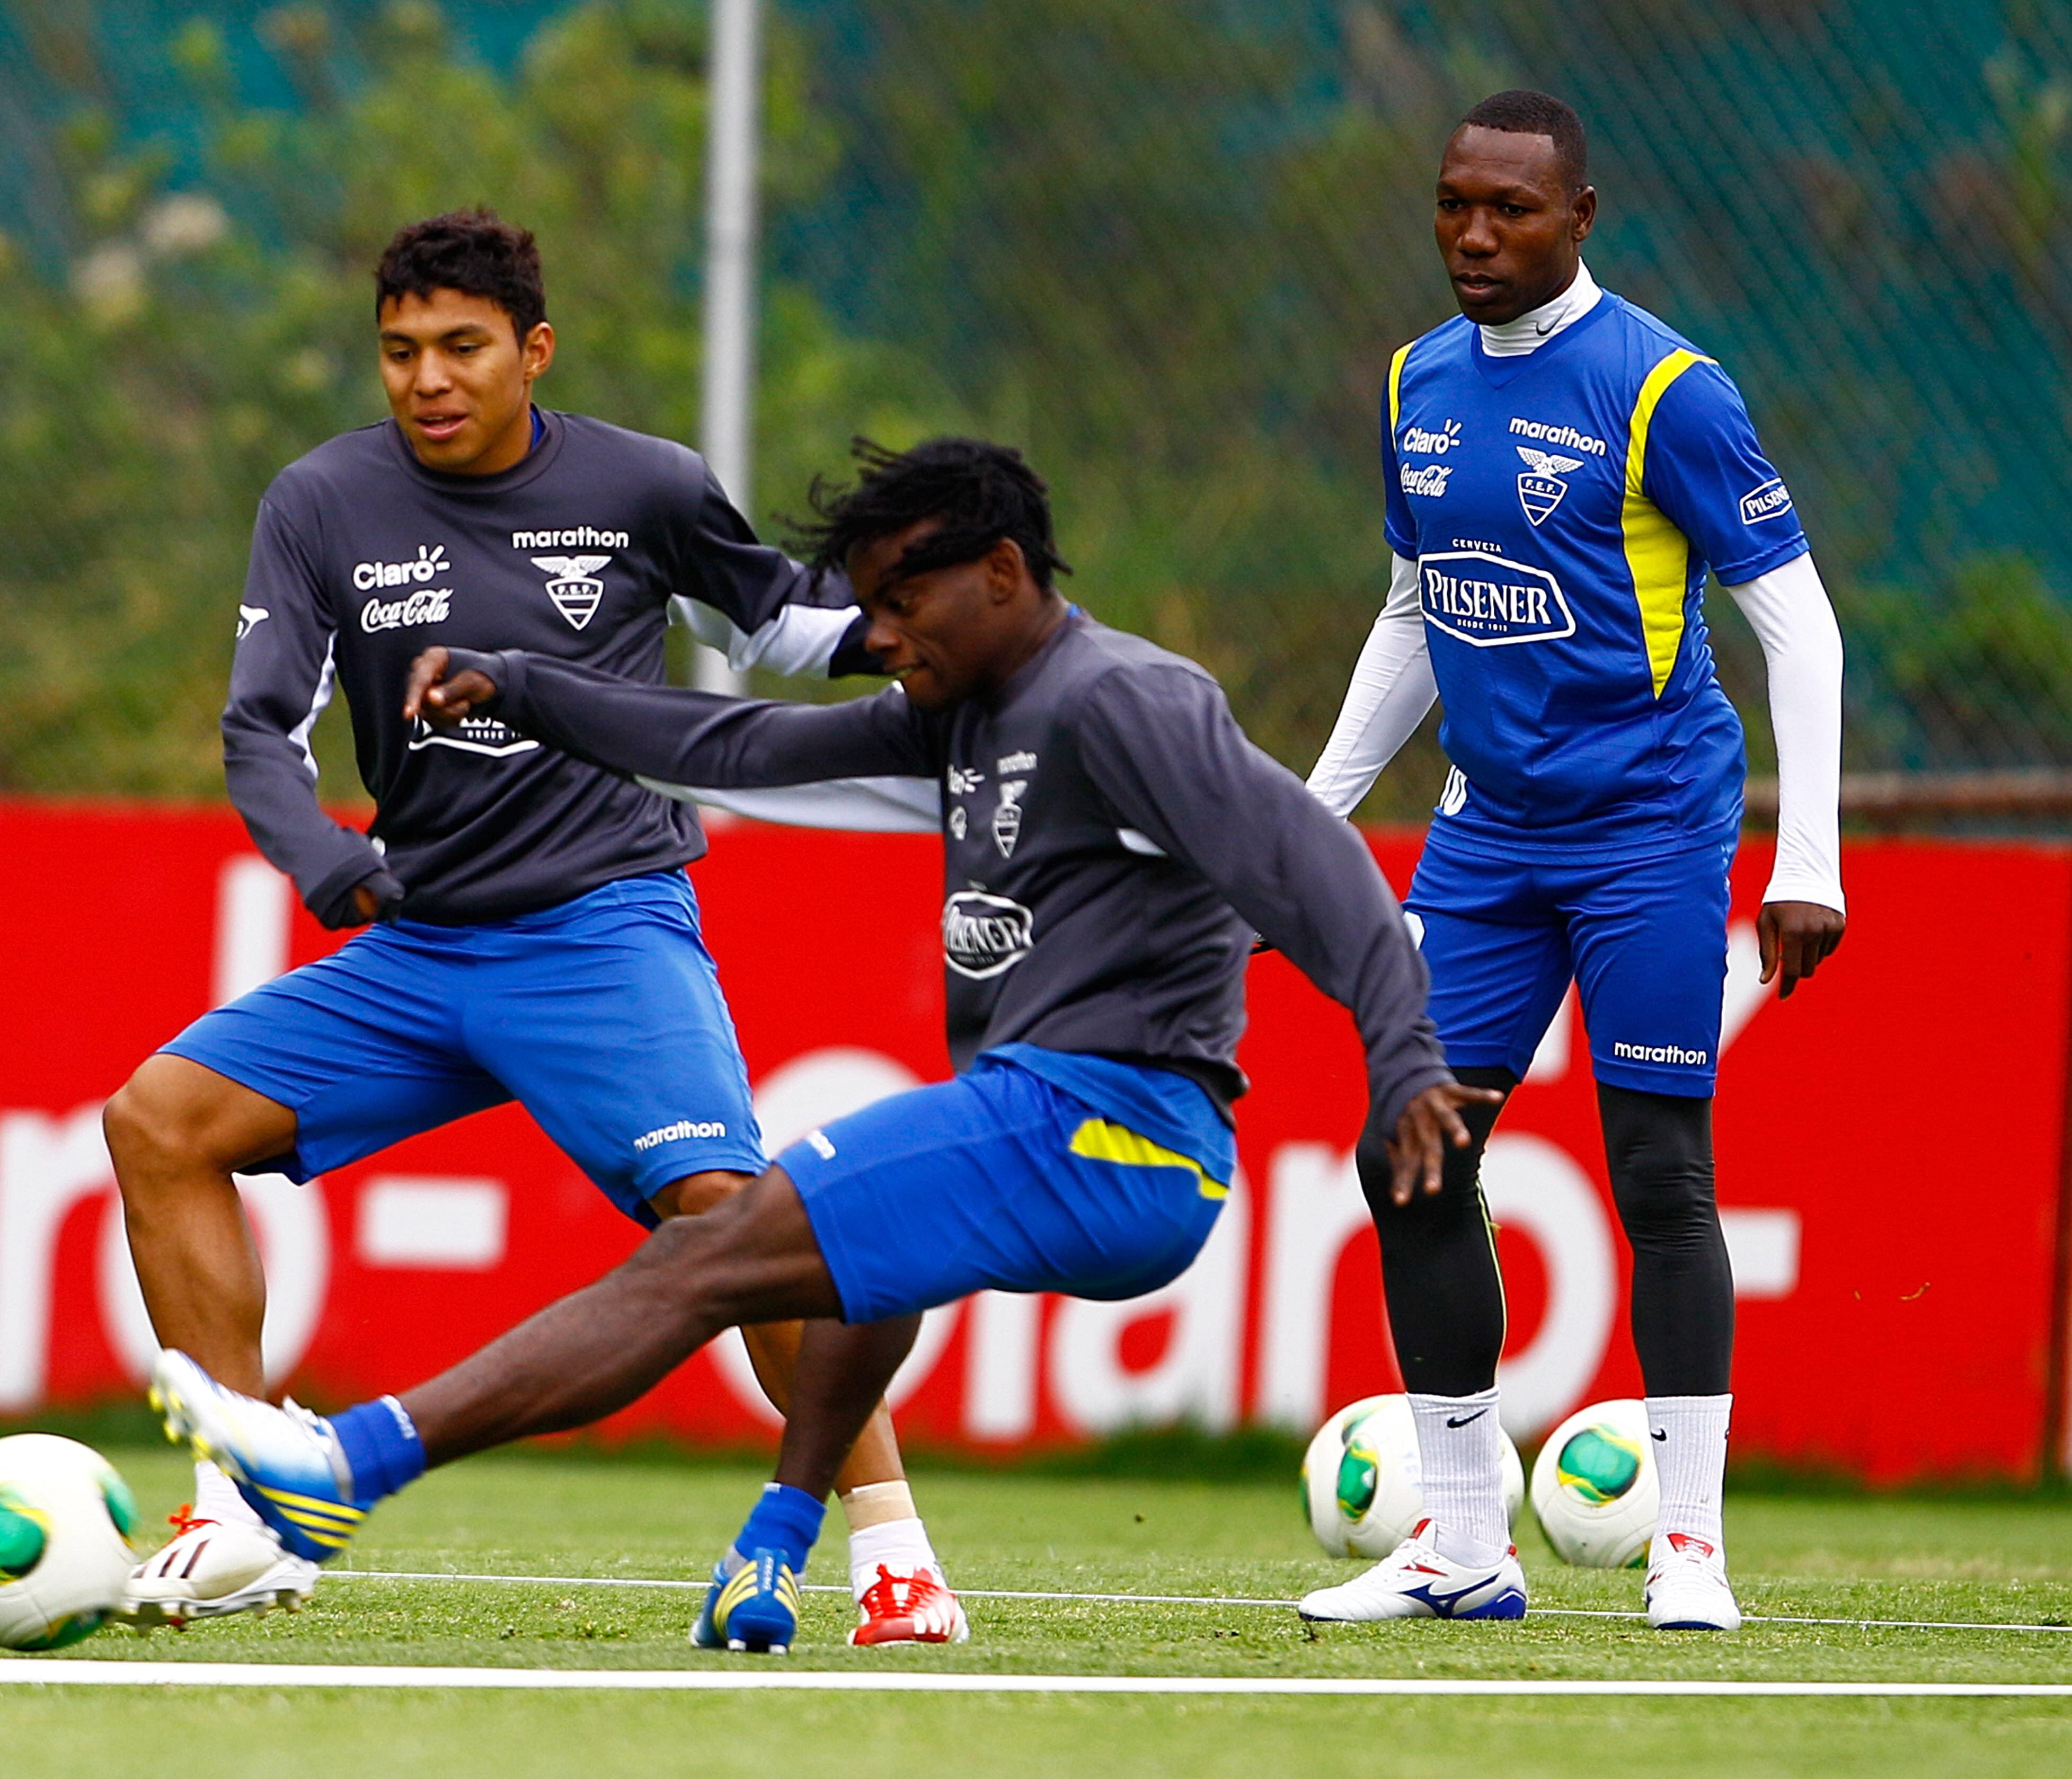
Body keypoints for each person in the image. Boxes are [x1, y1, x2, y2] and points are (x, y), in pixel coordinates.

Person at [141, 436, 1495, 1654]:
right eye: (868, 602)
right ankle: (787, 1537)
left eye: (903, 600)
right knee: (860, 1244)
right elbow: (737, 743)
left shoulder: (1123, 699)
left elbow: (1316, 861)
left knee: (710, 1250)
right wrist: (531, 688)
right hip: (1049, 1125)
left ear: (1003, 573)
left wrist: (1403, 1059)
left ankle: (345, 1466)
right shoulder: (962, 708)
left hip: (1112, 1129)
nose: (877, 632)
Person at [101, 208, 966, 1642]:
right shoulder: (318, 501)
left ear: (533, 350)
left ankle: (892, 1554)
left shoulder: (643, 483)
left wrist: (953, 632)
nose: (428, 379)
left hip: (601, 928)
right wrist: (321, 854)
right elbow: (261, 726)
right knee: (158, 1121)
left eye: (462, 347)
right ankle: (237, 1506)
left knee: (729, 1217)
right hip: (418, 942)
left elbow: (787, 629)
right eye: (400, 352)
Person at [1295, 91, 1847, 1632]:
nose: (1473, 235)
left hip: (1648, 827)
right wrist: (1311, 813)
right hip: (1487, 833)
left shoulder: (1665, 388)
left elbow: (1797, 623)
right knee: (1409, 1155)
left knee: (1657, 1168)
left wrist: (1806, 859)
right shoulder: (1412, 379)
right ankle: (1462, 1543)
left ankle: (1691, 1549)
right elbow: (1412, 612)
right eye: (1452, 204)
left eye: (1511, 210)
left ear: (1579, 217)